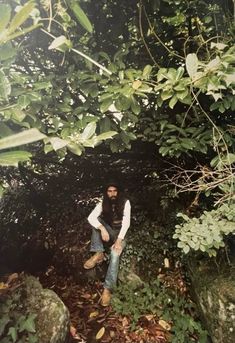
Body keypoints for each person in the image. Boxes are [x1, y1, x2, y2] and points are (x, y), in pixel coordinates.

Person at [84, 181, 131, 306]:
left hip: (121, 234)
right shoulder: (103, 202)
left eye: (114, 191)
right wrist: (102, 228)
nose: (112, 194)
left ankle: (107, 289)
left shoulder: (125, 202)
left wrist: (118, 242)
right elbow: (91, 218)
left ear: (118, 191)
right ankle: (99, 253)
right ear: (106, 192)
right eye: (109, 191)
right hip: (110, 232)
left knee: (115, 254)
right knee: (97, 222)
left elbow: (126, 224)